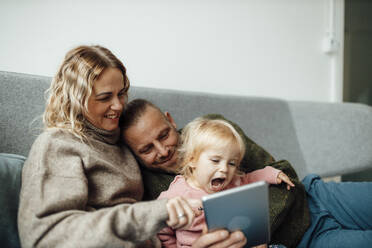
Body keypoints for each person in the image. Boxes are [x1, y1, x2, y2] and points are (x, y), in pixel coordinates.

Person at [17, 45, 208, 248]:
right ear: (76, 99)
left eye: (122, 93)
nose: (118, 106)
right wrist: (159, 211)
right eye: (105, 97)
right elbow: (46, 237)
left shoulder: (122, 142)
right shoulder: (57, 145)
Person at [121, 99, 372, 248]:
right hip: (306, 239)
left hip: (314, 195)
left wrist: (250, 221)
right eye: (146, 150)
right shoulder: (156, 191)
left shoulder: (214, 132)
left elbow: (282, 171)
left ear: (170, 120)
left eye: (164, 135)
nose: (163, 150)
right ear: (133, 153)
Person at [156, 117, 295, 247]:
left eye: (232, 163)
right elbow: (161, 229)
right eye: (215, 160)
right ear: (192, 160)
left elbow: (250, 179)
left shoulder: (233, 182)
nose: (224, 169)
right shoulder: (175, 195)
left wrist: (272, 174)